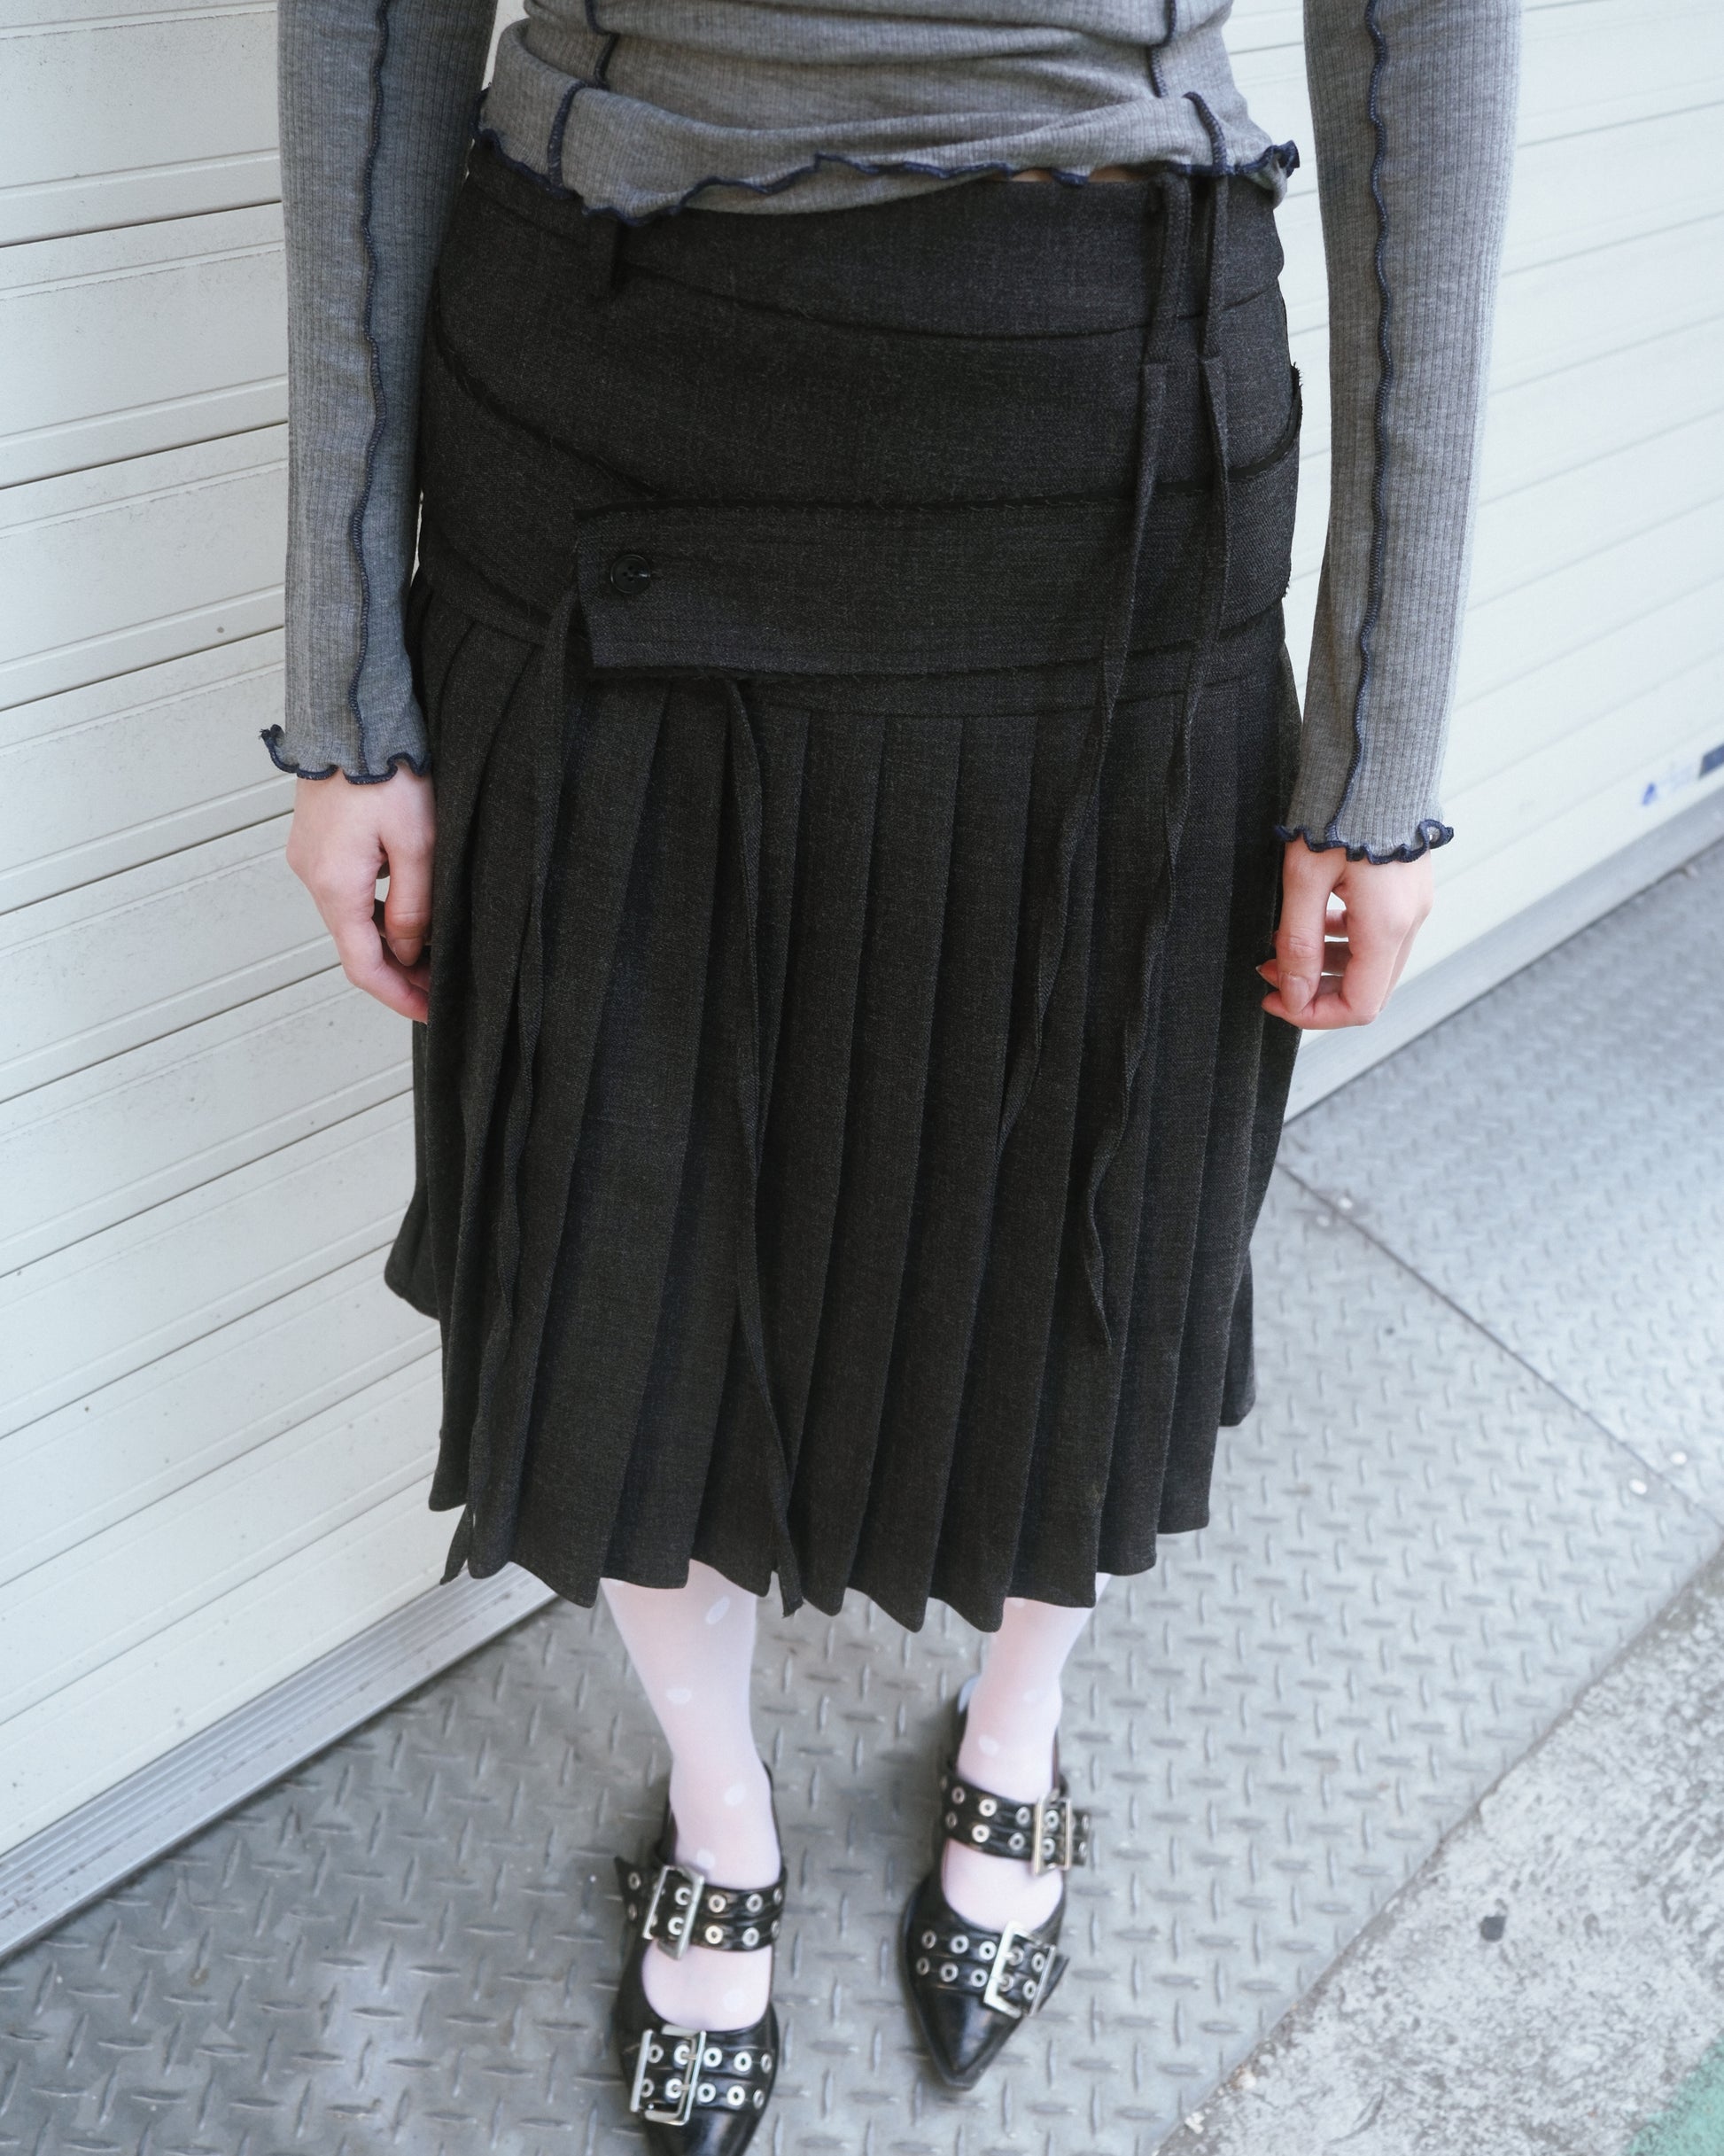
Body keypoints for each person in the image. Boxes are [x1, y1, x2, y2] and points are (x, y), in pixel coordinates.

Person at [271, 0, 1518, 2138]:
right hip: (603, 427)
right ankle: (720, 1805)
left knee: (1074, 1247)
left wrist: (1383, 737)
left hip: (1096, 447)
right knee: (625, 1257)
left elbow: (1428, 39)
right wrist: (343, 685)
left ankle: (1017, 1730)